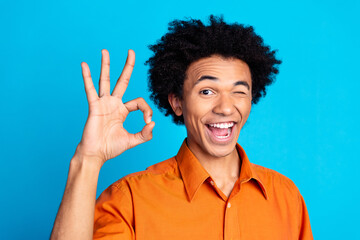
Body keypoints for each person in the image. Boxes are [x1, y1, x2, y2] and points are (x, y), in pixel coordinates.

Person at [50, 16, 313, 240]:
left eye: (239, 91)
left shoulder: (286, 196)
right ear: (177, 102)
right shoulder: (130, 199)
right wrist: (88, 159)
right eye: (207, 91)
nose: (226, 107)